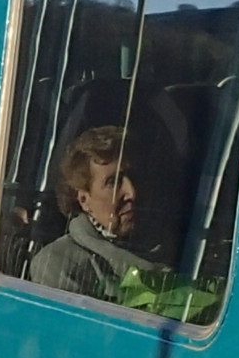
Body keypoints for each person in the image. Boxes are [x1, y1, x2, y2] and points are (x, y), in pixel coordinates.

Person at [27, 126, 162, 301]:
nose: (132, 193)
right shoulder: (57, 264)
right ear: (84, 199)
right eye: (113, 182)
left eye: (135, 177)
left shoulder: (172, 249)